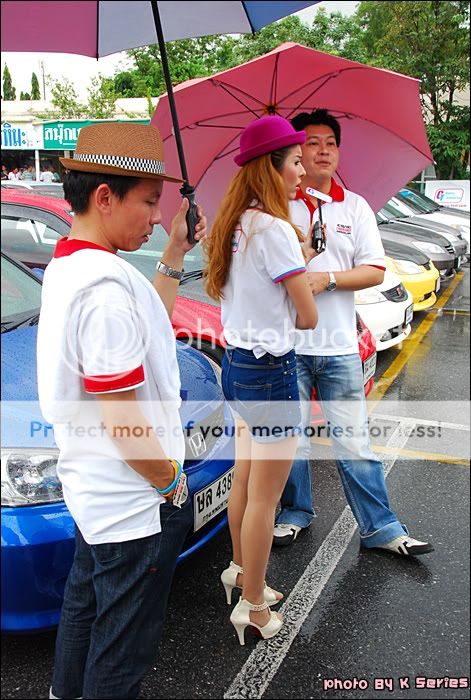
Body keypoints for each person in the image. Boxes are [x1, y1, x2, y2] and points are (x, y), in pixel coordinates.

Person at [37, 122, 207, 699]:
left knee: (84, 618)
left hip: (96, 493)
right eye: (150, 202)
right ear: (105, 197)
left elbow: (150, 323)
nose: (157, 218)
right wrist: (171, 482)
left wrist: (177, 252)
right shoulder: (103, 288)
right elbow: (123, 420)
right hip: (132, 506)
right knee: (120, 655)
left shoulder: (74, 264)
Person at [273, 109, 434, 557]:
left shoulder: (354, 206)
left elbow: (374, 269)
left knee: (354, 441)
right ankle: (295, 513)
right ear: (295, 152)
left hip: (339, 346)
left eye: (330, 143)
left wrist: (327, 280)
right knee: (292, 439)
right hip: (287, 345)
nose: (322, 150)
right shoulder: (275, 205)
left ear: (338, 151)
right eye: (311, 142)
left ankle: (380, 528)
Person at [205, 115, 319, 645]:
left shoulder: (237, 223)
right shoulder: (274, 230)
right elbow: (307, 317)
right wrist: (306, 279)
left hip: (237, 366)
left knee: (247, 481)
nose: (303, 169)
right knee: (265, 499)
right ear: (270, 168)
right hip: (271, 373)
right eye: (295, 160)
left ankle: (240, 572)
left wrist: (295, 269)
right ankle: (252, 606)